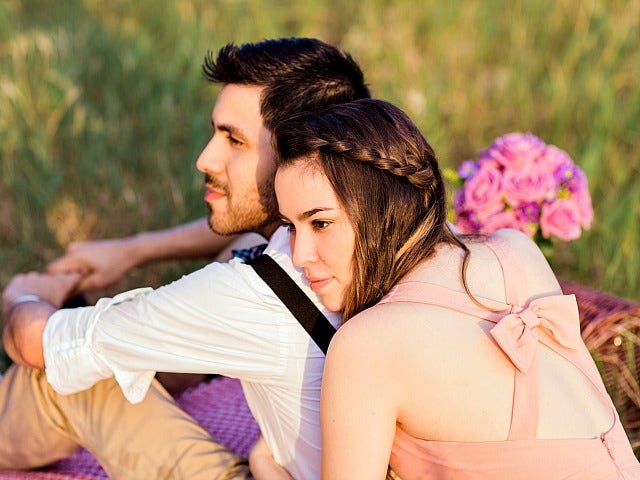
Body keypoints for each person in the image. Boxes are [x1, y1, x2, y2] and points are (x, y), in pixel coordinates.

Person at [1, 37, 370, 479]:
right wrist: (132, 250)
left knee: (67, 377)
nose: (204, 158)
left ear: (300, 155)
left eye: (234, 141)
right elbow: (250, 221)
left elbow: (40, 343)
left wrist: (24, 298)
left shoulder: (255, 295)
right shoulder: (370, 217)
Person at [270, 98, 640, 479]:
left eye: (320, 224)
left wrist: (266, 466)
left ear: (380, 206)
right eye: (290, 227)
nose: (299, 256)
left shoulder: (367, 344)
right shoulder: (514, 250)